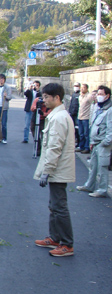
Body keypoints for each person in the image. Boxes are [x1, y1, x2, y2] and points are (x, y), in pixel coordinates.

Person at [33, 83, 75, 257]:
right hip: (56, 168)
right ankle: (56, 238)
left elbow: (54, 148)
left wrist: (46, 171)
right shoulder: (58, 116)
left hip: (58, 169)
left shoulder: (58, 118)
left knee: (59, 207)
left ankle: (67, 244)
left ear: (57, 97)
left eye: (47, 97)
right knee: (54, 206)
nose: (44, 100)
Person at [77, 85, 112, 198]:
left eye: (101, 94)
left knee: (102, 167)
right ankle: (89, 185)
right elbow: (93, 125)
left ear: (107, 96)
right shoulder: (97, 106)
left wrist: (105, 142)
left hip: (103, 143)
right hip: (96, 142)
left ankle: (102, 190)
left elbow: (110, 129)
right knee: (93, 166)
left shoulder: (110, 110)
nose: (98, 96)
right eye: (98, 94)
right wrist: (92, 141)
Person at [77, 83, 96, 154]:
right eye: (81, 88)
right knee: (81, 133)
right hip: (80, 117)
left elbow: (93, 105)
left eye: (84, 88)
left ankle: (86, 147)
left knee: (86, 134)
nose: (82, 89)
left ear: (87, 89)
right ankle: (81, 146)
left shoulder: (89, 96)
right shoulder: (80, 96)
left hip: (86, 117)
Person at [68, 82, 81, 147]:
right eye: (74, 85)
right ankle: (75, 140)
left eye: (77, 86)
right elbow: (71, 104)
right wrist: (70, 111)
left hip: (77, 114)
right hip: (72, 113)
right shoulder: (73, 94)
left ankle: (79, 142)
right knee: (73, 129)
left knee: (78, 129)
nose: (75, 87)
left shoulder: (80, 95)